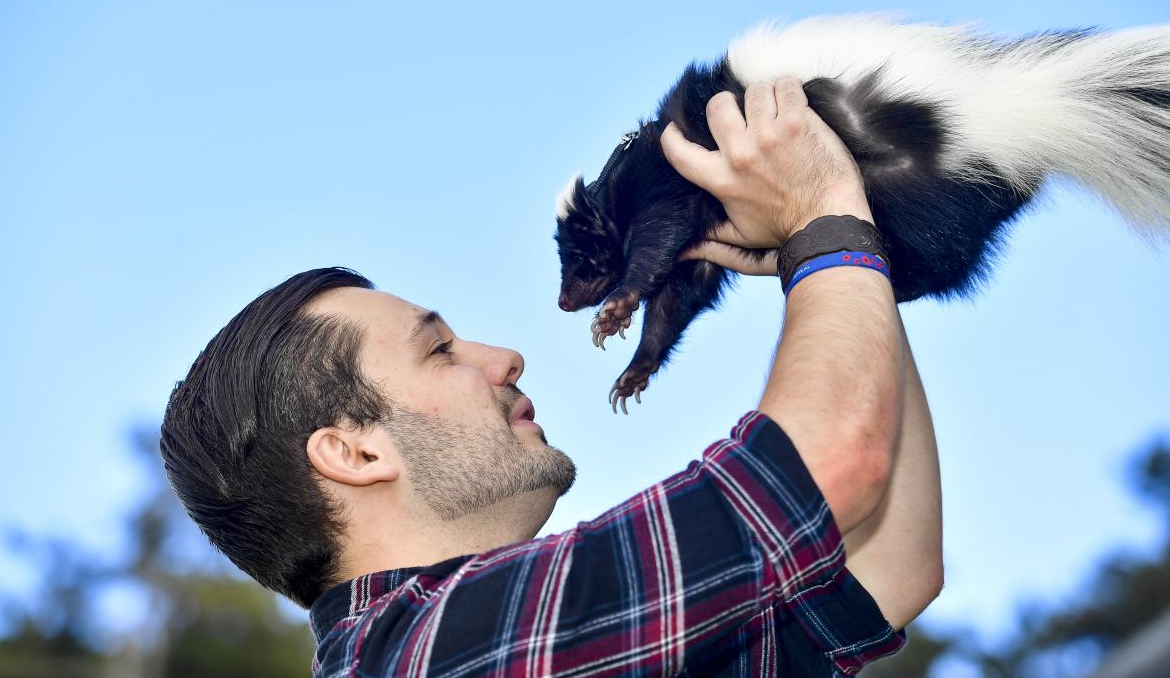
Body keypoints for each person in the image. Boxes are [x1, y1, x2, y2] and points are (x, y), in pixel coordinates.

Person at [160, 77, 943, 676]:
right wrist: (819, 213)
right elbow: (830, 468)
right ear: (355, 452)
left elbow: (891, 565)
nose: (505, 357)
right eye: (440, 350)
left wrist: (850, 243)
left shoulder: (520, 645)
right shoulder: (447, 648)